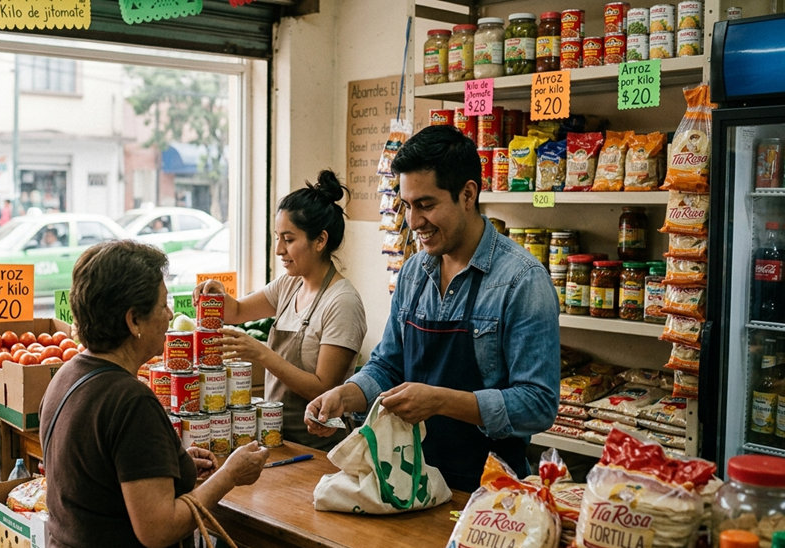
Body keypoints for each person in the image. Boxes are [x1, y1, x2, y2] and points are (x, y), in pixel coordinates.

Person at [305, 126, 560, 492]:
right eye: (407, 205)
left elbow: (538, 404)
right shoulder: (414, 271)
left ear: (467, 194)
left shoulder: (522, 281)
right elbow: (388, 364)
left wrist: (439, 401)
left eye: (426, 205)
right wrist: (346, 396)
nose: (413, 222)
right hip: (411, 482)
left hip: (488, 491)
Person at [39, 240, 269, 548]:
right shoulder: (131, 401)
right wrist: (229, 475)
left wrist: (171, 465)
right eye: (162, 305)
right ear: (133, 320)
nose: (170, 314)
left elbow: (103, 481)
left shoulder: (66, 376)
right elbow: (158, 530)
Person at [194, 170, 367, 451]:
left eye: (288, 239)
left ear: (320, 240)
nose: (278, 249)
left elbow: (323, 388)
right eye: (277, 237)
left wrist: (261, 353)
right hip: (279, 440)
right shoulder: (289, 285)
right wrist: (214, 294)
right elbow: (236, 311)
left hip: (320, 447)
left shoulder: (342, 302)